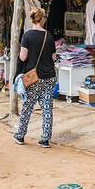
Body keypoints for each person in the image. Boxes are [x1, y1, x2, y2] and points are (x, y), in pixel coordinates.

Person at [13, 8, 57, 148]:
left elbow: (23, 57)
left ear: (32, 19)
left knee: (27, 106)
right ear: (42, 19)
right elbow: (53, 57)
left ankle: (20, 135)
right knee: (47, 107)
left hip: (33, 77)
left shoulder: (27, 36)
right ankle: (45, 139)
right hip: (49, 77)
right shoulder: (49, 36)